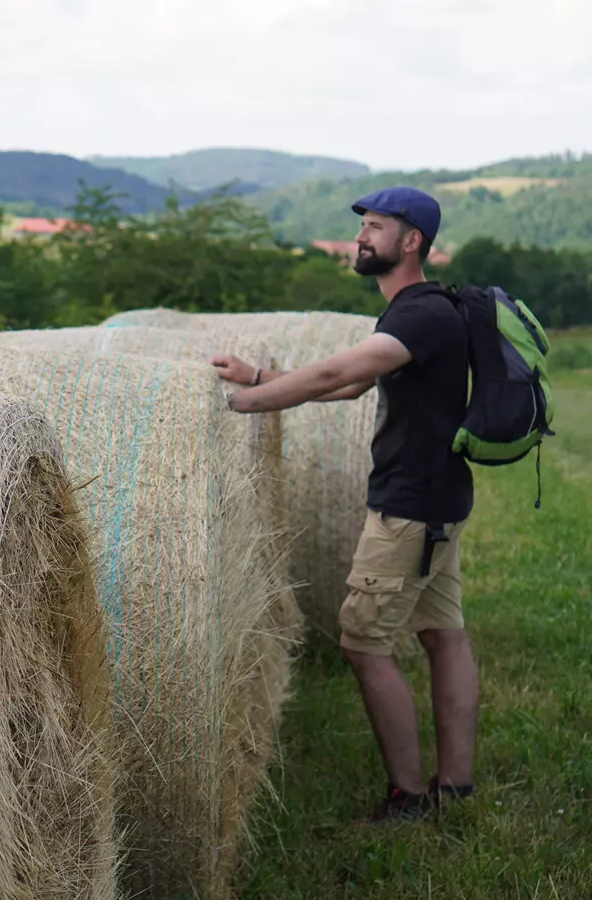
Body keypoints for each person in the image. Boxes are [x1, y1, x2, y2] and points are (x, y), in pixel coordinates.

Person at [211, 186, 478, 823]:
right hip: (438, 501)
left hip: (409, 510)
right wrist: (258, 378)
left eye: (377, 227)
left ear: (411, 241)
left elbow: (336, 375)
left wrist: (243, 404)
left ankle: (409, 797)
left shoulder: (419, 315)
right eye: (362, 226)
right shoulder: (418, 313)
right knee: (444, 636)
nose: (361, 237)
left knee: (362, 644)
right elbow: (355, 384)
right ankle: (456, 786)